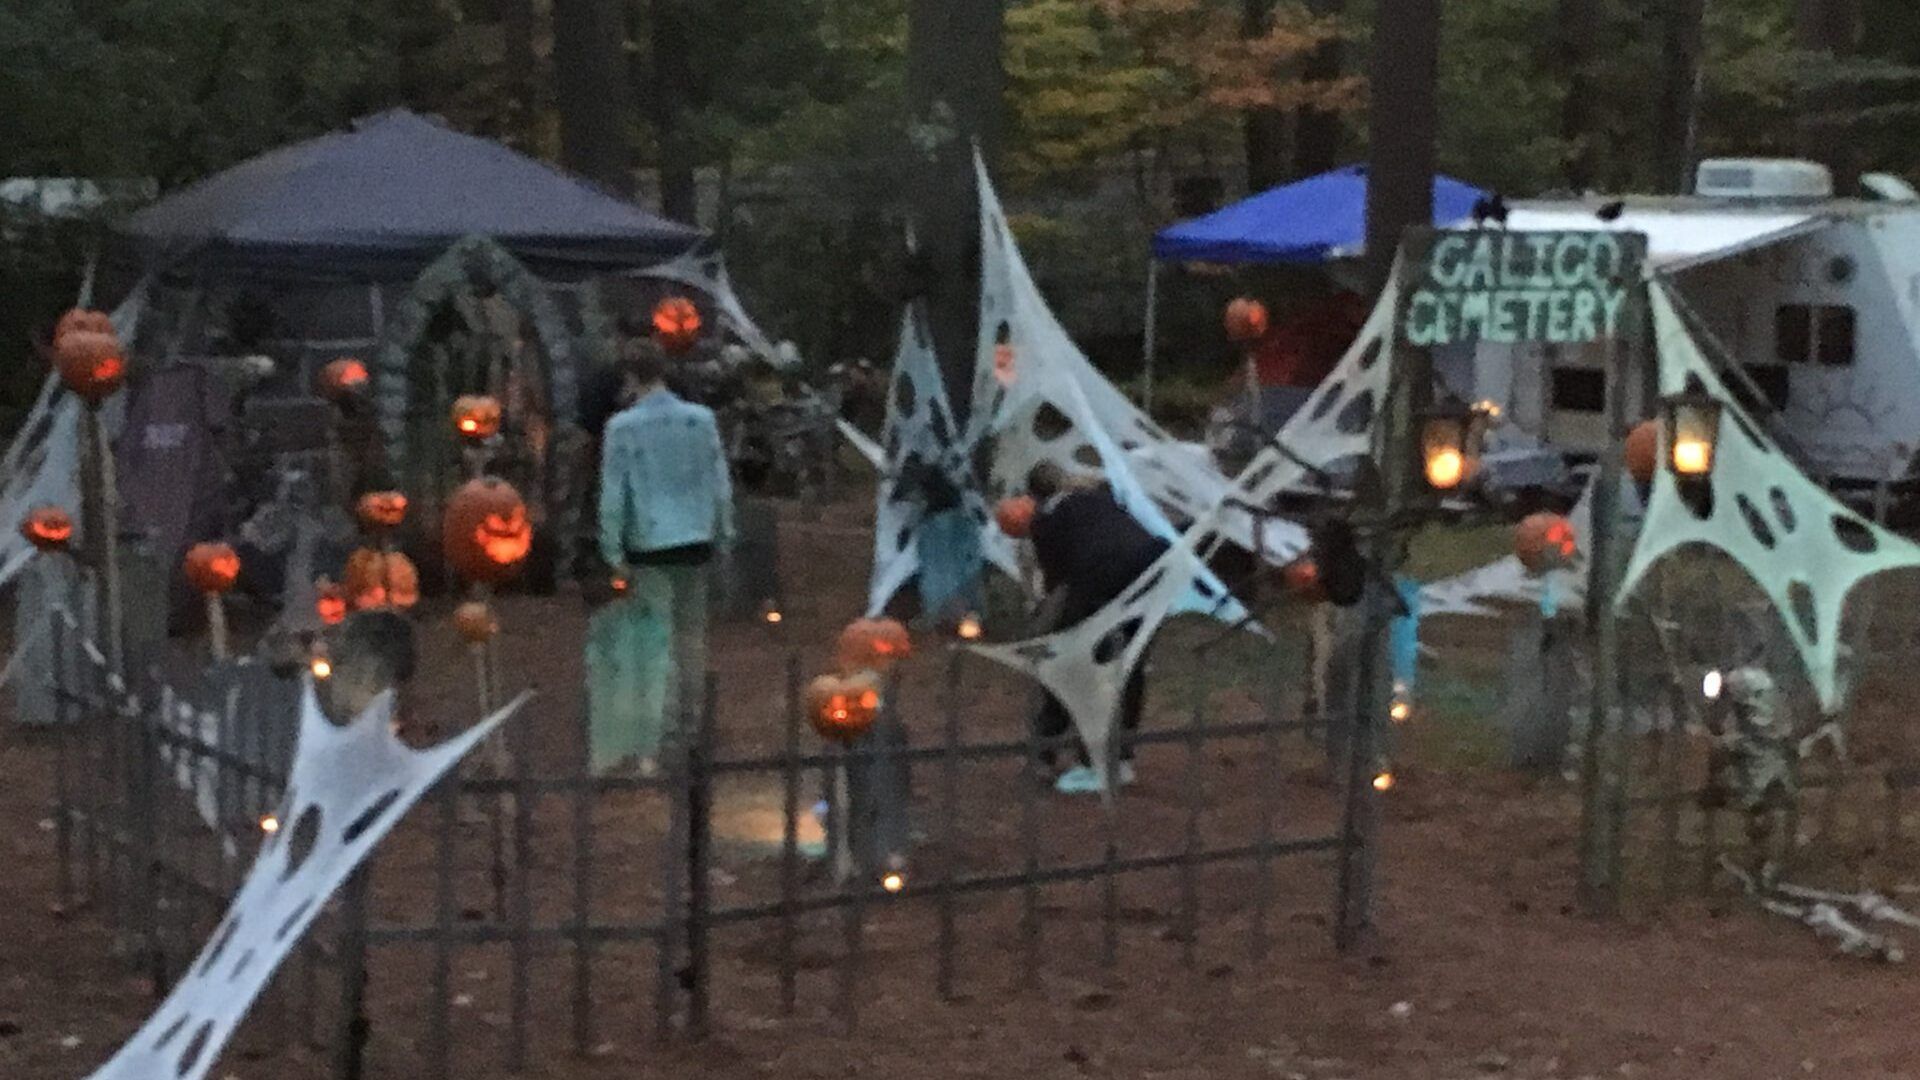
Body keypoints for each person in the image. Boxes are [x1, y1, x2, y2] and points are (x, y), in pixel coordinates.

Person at [590, 338, 735, 775]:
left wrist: (612, 549)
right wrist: (724, 533)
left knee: (655, 642)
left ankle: (655, 741)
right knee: (692, 638)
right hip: (695, 539)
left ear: (631, 379)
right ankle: (690, 732)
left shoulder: (623, 428)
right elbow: (719, 481)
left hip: (649, 544)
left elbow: (614, 494)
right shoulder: (700, 421)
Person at [1025, 462, 1168, 794]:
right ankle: (1119, 760)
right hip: (1151, 573)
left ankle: (1048, 754)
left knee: (1068, 661)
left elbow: (1056, 582)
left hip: (1101, 578)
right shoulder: (1102, 498)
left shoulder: (1048, 518)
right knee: (1130, 666)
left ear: (1035, 496)